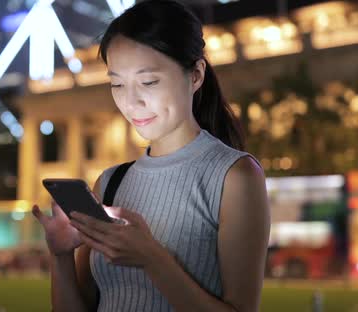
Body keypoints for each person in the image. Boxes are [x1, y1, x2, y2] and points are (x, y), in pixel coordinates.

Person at [31, 1, 270, 311]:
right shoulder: (111, 182)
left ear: (196, 75)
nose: (131, 102)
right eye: (117, 84)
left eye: (149, 82)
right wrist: (60, 256)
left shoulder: (234, 177)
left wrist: (152, 258)